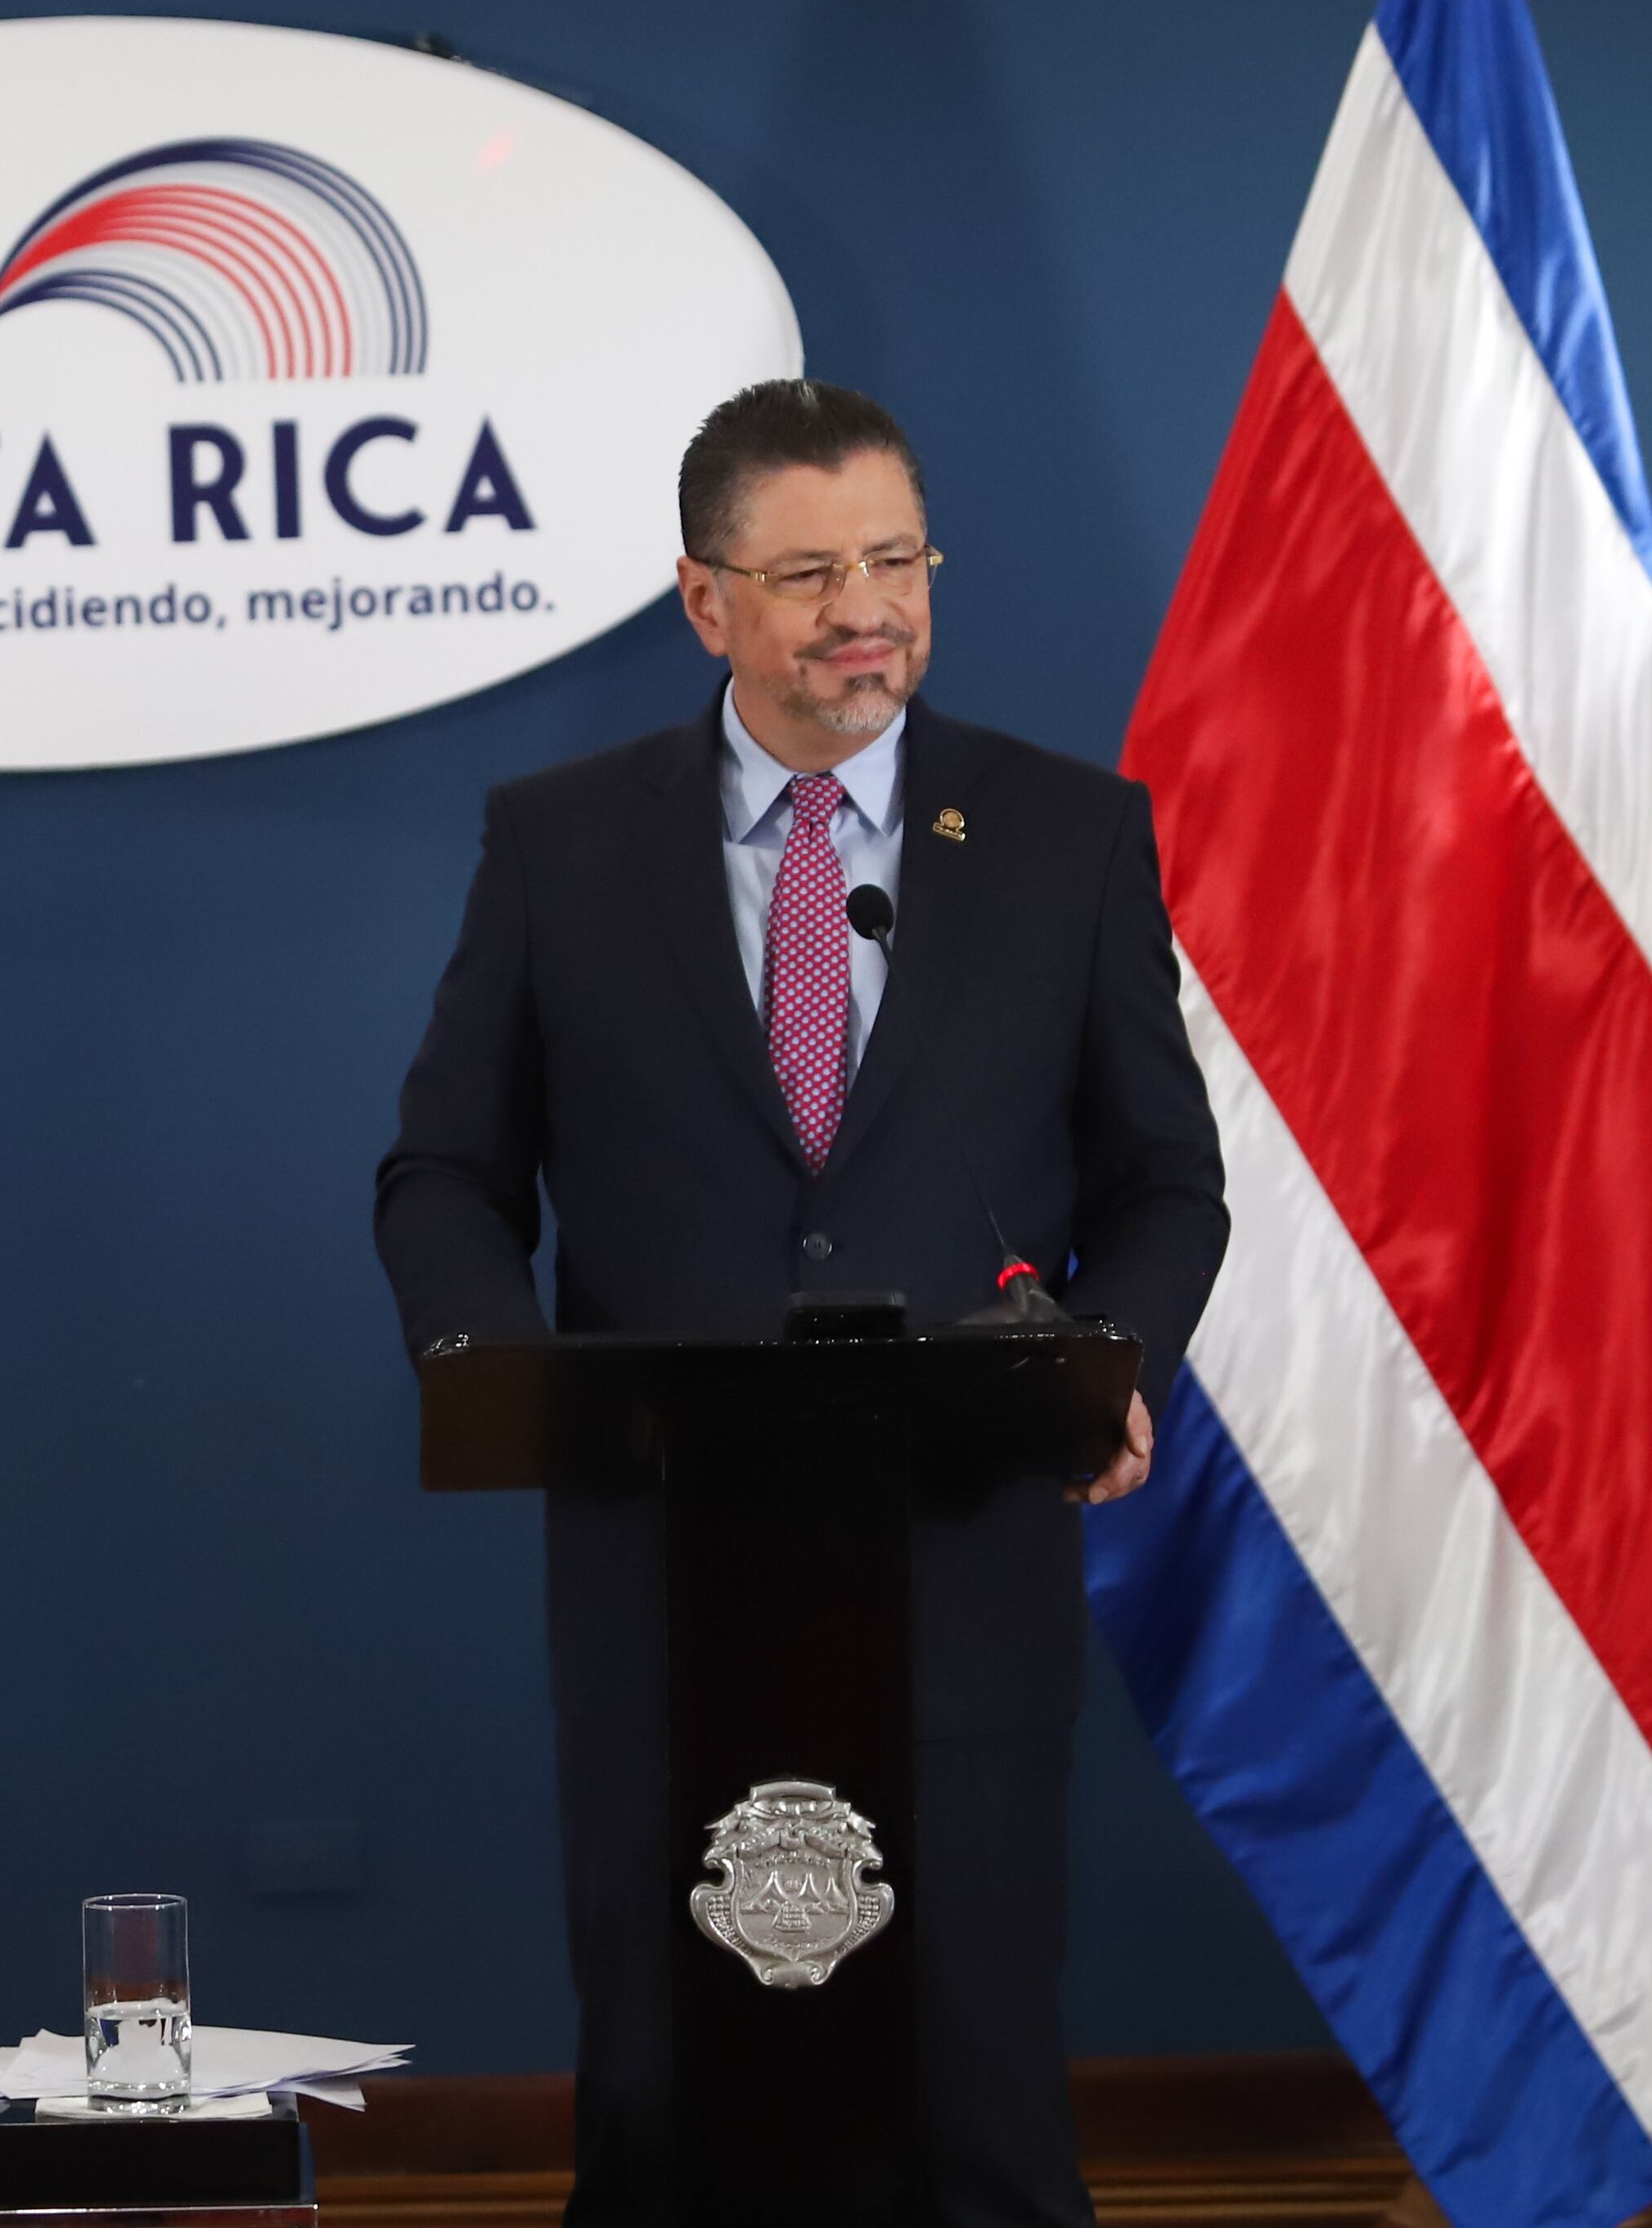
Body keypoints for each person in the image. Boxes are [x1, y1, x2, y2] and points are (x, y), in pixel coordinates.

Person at [372, 380, 1226, 2228]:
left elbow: (1168, 1180)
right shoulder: (558, 843)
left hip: (959, 1558)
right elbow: (441, 1170)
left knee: (973, 2096)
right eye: (813, 569)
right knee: (676, 2101)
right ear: (705, 602)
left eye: (899, 558)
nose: (869, 609)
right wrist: (498, 1377)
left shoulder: (1070, 835)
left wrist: (1107, 1360)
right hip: (662, 1574)